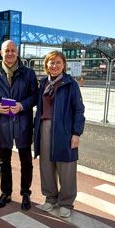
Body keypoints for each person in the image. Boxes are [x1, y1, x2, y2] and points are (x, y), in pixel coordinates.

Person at [33, 50, 85, 218]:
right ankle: (50, 198)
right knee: (46, 166)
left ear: (64, 65)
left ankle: (66, 202)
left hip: (64, 130)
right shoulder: (42, 83)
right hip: (44, 128)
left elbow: (78, 110)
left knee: (66, 168)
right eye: (51, 62)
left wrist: (76, 133)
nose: (54, 66)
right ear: (46, 65)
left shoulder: (71, 84)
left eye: (58, 63)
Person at [0, 40, 38, 210]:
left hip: (23, 122)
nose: (10, 53)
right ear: (1, 53)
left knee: (26, 161)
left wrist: (22, 105)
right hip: (3, 122)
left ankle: (25, 193)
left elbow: (35, 96)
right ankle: (6, 193)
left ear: (17, 52)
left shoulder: (29, 73)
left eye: (13, 50)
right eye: (7, 51)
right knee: (4, 161)